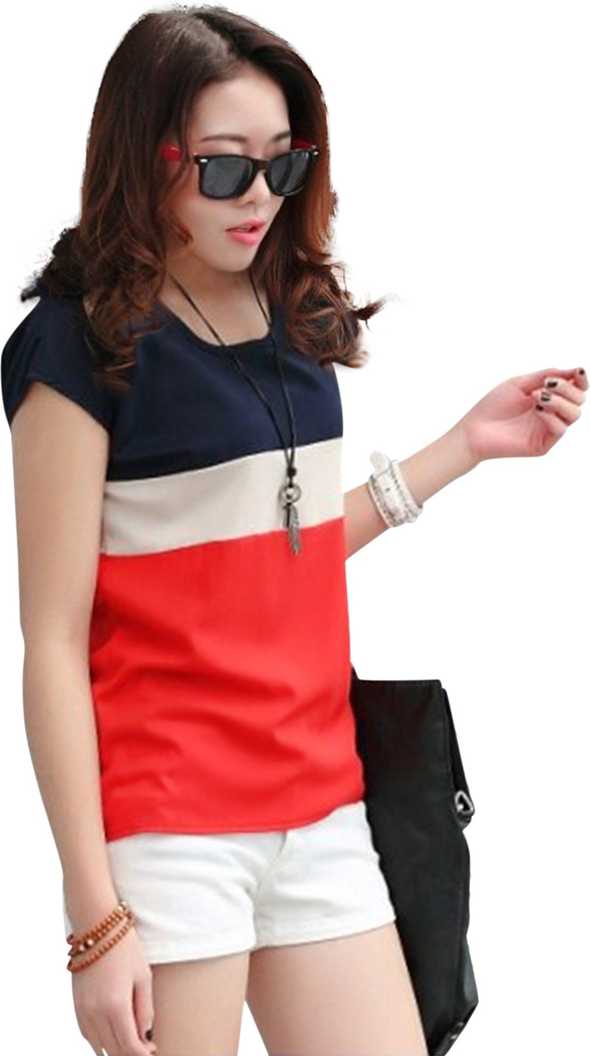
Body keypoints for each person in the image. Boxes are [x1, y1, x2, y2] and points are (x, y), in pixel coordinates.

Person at [1, 6, 585, 1056]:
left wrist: (465, 445)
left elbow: (279, 553)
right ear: (147, 155)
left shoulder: (292, 310)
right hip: (172, 825)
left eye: (284, 162)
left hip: (321, 805)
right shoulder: (77, 346)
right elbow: (50, 638)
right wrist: (94, 919)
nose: (260, 196)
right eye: (225, 167)